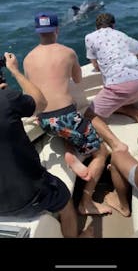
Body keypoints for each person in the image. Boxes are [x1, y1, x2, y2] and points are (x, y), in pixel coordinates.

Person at [23, 12, 112, 215]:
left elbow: (31, 92)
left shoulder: (28, 59)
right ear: (57, 30)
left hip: (45, 121)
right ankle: (87, 202)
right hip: (66, 117)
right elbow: (79, 79)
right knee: (101, 152)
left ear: (38, 32)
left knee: (66, 130)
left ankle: (70, 154)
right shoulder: (68, 52)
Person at [0, 52, 84, 237]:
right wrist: (15, 71)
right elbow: (40, 102)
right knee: (66, 203)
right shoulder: (7, 99)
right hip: (27, 198)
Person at [85, 12, 138, 132]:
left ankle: (116, 144)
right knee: (117, 100)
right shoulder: (121, 35)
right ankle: (136, 112)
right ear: (113, 25)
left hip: (120, 86)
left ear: (96, 27)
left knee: (89, 115)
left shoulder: (90, 37)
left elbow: (95, 65)